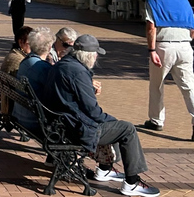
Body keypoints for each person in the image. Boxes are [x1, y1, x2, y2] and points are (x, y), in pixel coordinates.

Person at [43, 35, 159, 196]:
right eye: (96, 53)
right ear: (88, 55)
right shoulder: (78, 72)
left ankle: (105, 169)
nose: (97, 56)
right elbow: (93, 111)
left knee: (116, 125)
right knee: (126, 128)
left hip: (59, 123)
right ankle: (131, 182)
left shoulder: (64, 64)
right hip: (73, 128)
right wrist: (112, 120)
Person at [140, 0, 194, 140]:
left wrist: (151, 50)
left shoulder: (153, 0)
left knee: (157, 85)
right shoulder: (184, 1)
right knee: (189, 87)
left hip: (164, 46)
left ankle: (156, 120)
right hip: (185, 46)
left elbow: (151, 27)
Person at [15, 27, 55, 131]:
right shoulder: (42, 68)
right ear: (50, 47)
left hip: (19, 113)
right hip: (33, 120)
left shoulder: (26, 61)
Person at [0, 26, 33, 116]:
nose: (33, 47)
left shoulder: (13, 53)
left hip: (8, 99)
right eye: (29, 44)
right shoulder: (19, 60)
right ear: (20, 42)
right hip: (11, 107)